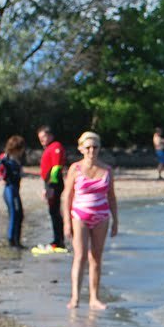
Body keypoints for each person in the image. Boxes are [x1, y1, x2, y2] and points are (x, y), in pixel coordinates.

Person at [62, 132, 118, 310]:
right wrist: (67, 222)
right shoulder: (75, 169)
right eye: (88, 147)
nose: (91, 150)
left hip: (101, 216)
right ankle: (75, 297)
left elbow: (112, 197)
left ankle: (94, 297)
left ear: (100, 148)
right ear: (81, 149)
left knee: (96, 258)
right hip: (80, 216)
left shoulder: (107, 170)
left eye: (95, 147)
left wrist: (116, 221)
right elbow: (67, 196)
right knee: (80, 256)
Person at [36, 126, 67, 253]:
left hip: (53, 183)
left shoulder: (56, 147)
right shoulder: (49, 148)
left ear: (50, 135)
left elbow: (56, 168)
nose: (42, 140)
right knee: (53, 212)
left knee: (55, 212)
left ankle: (58, 241)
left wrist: (50, 187)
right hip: (49, 182)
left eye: (44, 137)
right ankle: (58, 240)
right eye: (40, 138)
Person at [0, 135, 25, 248]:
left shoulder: (17, 160)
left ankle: (17, 240)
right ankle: (12, 241)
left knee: (20, 215)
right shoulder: (6, 158)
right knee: (14, 214)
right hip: (10, 190)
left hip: (15, 190)